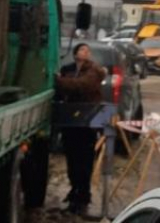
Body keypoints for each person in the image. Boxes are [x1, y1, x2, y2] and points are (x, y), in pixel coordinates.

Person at [55, 43, 106, 214]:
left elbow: (82, 85)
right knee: (71, 159)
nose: (86, 52)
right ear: (75, 53)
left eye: (87, 50)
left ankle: (83, 196)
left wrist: (60, 81)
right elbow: (60, 91)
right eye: (82, 49)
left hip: (87, 122)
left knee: (85, 160)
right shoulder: (67, 68)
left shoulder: (93, 70)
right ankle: (74, 192)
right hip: (70, 122)